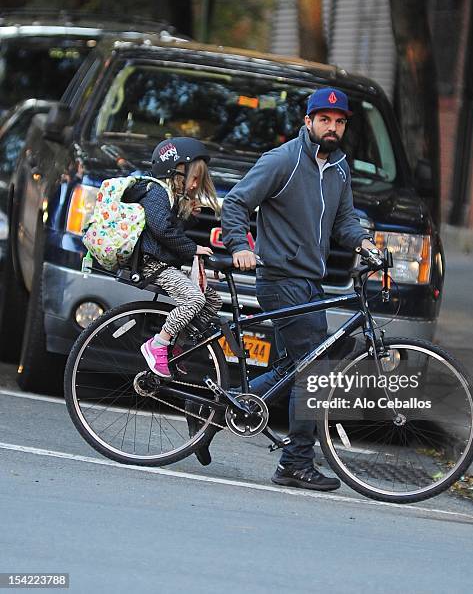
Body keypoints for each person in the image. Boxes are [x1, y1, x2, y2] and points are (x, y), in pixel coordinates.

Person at [220, 87, 375, 491]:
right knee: (315, 370)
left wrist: (364, 243)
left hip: (311, 281)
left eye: (339, 122)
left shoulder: (339, 168)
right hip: (280, 278)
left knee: (295, 366)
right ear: (308, 122)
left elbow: (344, 222)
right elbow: (235, 203)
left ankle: (218, 407)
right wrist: (240, 246)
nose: (332, 127)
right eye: (324, 120)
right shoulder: (283, 160)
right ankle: (295, 462)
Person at [136, 137, 222, 380]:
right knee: (194, 299)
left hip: (164, 264)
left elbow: (170, 229)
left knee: (211, 301)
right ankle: (158, 344)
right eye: (193, 178)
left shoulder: (171, 199)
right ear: (174, 172)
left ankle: (176, 346)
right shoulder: (155, 192)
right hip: (153, 264)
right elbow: (162, 230)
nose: (195, 185)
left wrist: (188, 218)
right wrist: (192, 249)